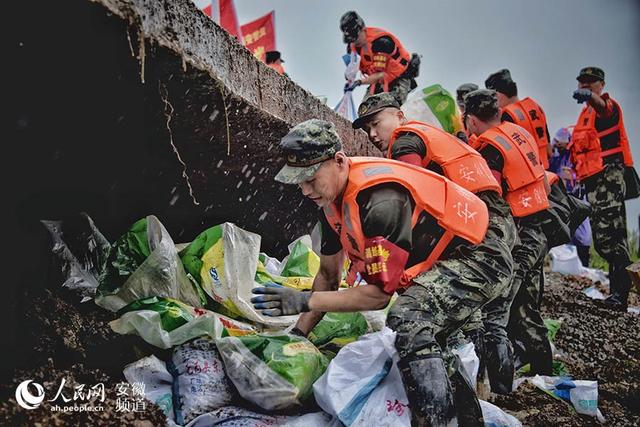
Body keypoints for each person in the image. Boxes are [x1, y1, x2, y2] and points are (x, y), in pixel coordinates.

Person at [251, 118, 516, 425]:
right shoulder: (332, 203)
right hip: (451, 261)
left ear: (338, 161)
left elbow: (378, 296)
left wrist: (305, 301)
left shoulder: (380, 201)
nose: (305, 190)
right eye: (299, 181)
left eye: (311, 178)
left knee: (409, 319)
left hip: (482, 255)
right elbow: (327, 275)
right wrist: (297, 334)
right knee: (432, 345)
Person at [353, 92, 519, 394]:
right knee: (483, 320)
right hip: (500, 223)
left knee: (420, 316)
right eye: (367, 129)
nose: (373, 134)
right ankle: (494, 394)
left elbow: (407, 193)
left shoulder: (405, 140)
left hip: (478, 228)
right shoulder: (433, 136)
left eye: (376, 123)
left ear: (399, 116)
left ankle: (450, 403)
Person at [464, 89, 555, 384]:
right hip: (540, 228)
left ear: (472, 120)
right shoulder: (517, 133)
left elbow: (491, 200)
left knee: (495, 315)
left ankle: (502, 388)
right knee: (526, 306)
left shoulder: (489, 149)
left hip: (518, 238)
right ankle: (545, 374)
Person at [571, 66, 639, 308]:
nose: (585, 86)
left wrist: (592, 98)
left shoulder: (607, 108)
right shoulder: (584, 116)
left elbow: (604, 108)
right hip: (596, 182)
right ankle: (618, 293)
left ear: (601, 85)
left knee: (610, 238)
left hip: (609, 179)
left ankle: (621, 293)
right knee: (608, 238)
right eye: (582, 83)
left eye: (591, 83)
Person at [339, 11, 419, 105]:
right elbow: (352, 68)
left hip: (399, 77)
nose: (354, 41)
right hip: (377, 80)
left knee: (390, 106)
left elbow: (381, 75)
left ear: (362, 29)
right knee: (366, 109)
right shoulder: (352, 48)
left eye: (355, 37)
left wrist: (358, 82)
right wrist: (349, 80)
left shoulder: (381, 42)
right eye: (350, 39)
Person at [485, 69, 552, 169]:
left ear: (498, 95)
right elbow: (549, 149)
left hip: (527, 173)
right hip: (546, 170)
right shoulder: (535, 107)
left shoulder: (506, 116)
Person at [549, 127, 592, 267]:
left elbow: (581, 174)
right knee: (564, 233)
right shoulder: (555, 158)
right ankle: (565, 266)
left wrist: (573, 177)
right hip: (562, 200)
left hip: (578, 199)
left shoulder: (574, 156)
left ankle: (584, 266)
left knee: (583, 236)